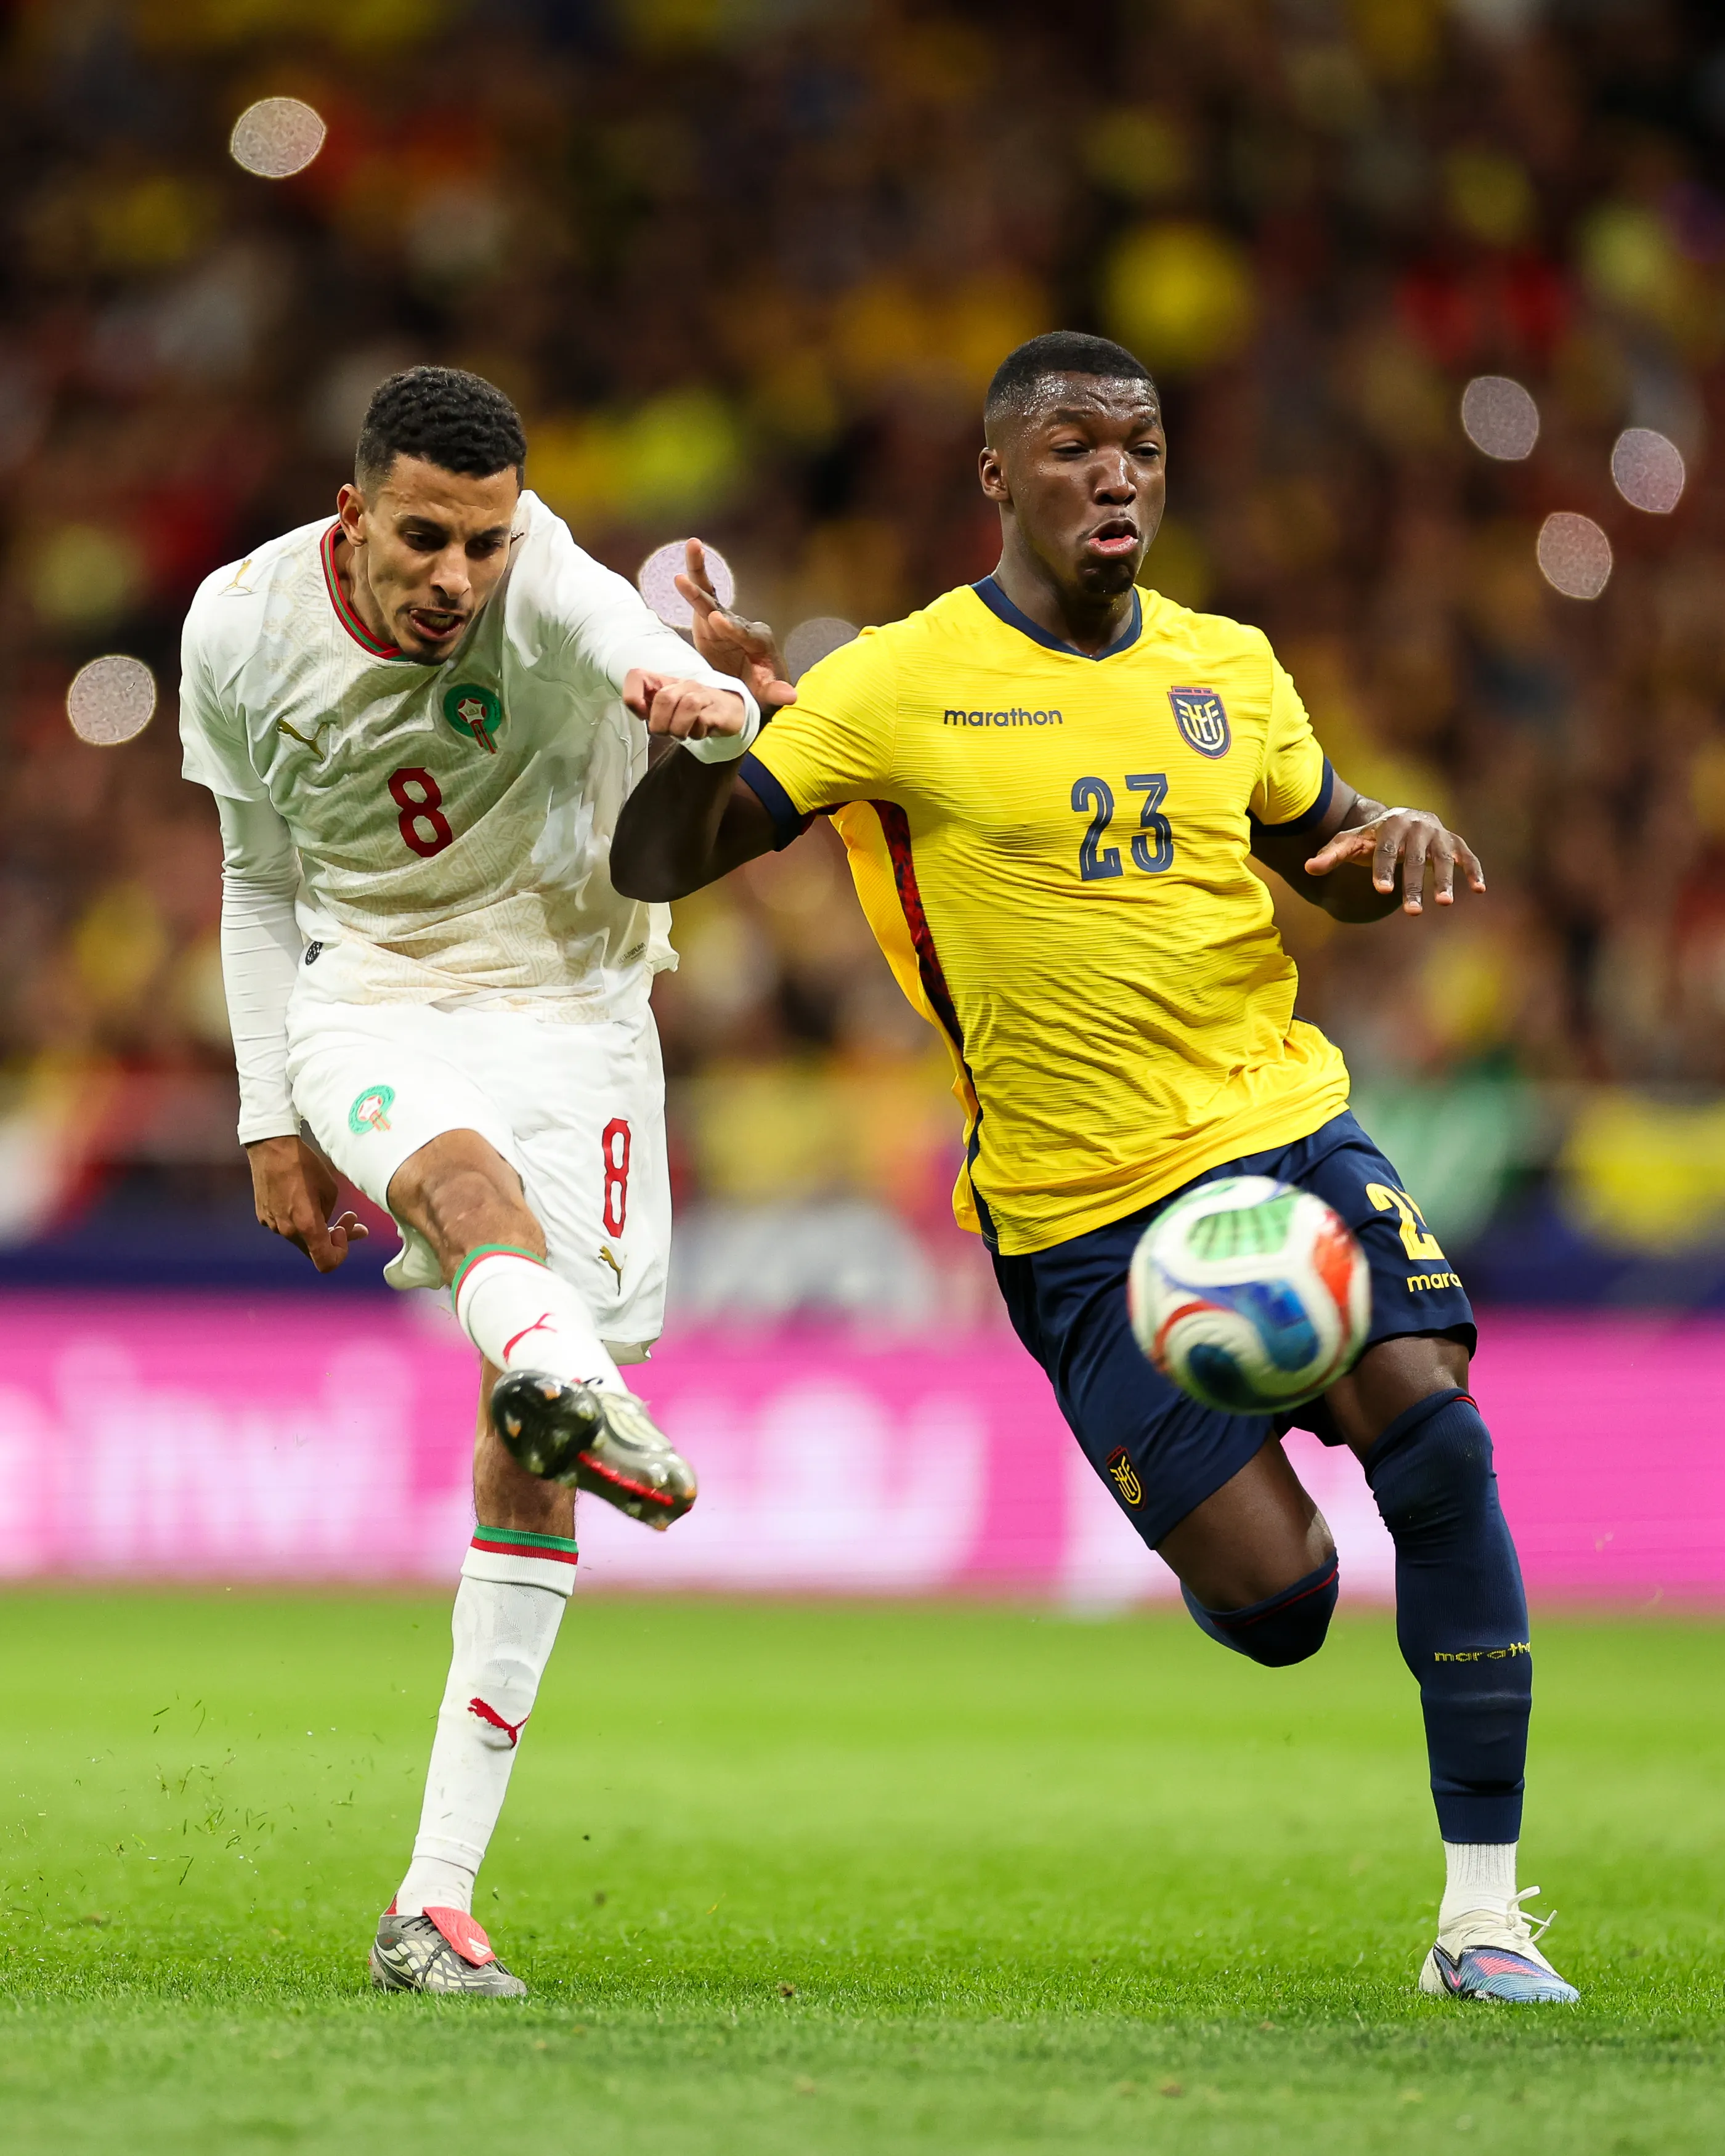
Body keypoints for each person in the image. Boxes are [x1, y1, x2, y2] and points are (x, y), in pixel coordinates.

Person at [610, 330, 1578, 2006]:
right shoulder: (893, 685)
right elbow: (653, 864)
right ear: (997, 476)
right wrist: (697, 728)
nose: (1115, 473)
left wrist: (1385, 850)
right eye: (1072, 448)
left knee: (1433, 1425)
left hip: (1281, 1126)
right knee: (1282, 1601)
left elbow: (1327, 856)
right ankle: (1245, 1538)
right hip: (1082, 1221)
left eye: (1138, 444)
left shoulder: (1228, 668)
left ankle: (1483, 1915)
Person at [180, 365, 757, 1996]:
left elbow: (631, 650)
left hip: (579, 1001)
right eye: (425, 539)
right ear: (352, 516)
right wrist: (263, 1113)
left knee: (531, 1428)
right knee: (468, 1198)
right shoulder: (235, 629)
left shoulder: (545, 575)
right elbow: (252, 872)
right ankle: (573, 1374)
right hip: (374, 986)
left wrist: (698, 702)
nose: (459, 579)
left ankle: (432, 1896)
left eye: (485, 545)